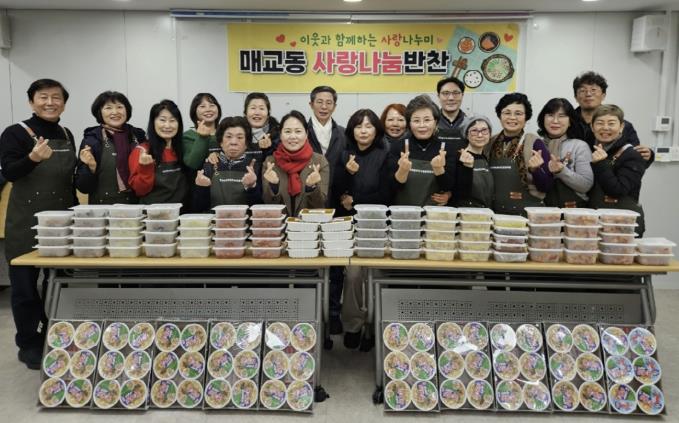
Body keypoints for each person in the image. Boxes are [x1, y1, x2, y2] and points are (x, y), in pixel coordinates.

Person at [0, 79, 77, 369]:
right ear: (31, 101)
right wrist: (32, 158)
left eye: (56, 97)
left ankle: (57, 335)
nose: (50, 102)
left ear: (64, 104)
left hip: (62, 222)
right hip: (26, 222)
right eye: (43, 97)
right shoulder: (15, 133)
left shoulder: (67, 134)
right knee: (25, 288)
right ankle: (29, 343)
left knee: (61, 283)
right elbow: (9, 171)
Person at [333, 109, 389, 350]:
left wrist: (355, 201)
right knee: (353, 275)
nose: (363, 131)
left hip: (376, 225)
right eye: (358, 126)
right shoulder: (344, 154)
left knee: (375, 276)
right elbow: (336, 191)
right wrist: (348, 173)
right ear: (351, 130)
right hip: (350, 226)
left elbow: (386, 194)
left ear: (376, 130)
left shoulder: (385, 154)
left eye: (368, 126)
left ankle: (373, 327)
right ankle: (353, 325)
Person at [306, 86, 346, 336]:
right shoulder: (300, 131)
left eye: (328, 102)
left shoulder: (343, 133)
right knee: (309, 258)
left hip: (338, 205)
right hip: (309, 204)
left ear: (334, 106)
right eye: (319, 101)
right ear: (311, 104)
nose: (324, 106)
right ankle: (310, 314)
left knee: (336, 262)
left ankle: (333, 313)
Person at [388, 94, 469, 206]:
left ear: (435, 122)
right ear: (409, 123)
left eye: (427, 120)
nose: (422, 125)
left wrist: (439, 169)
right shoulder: (398, 147)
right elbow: (390, 188)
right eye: (416, 121)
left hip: (434, 213)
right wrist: (402, 170)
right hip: (403, 212)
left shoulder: (446, 149)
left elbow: (449, 187)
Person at [486, 93, 553, 215]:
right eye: (507, 113)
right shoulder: (490, 142)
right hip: (496, 213)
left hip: (529, 212)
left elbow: (547, 186)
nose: (512, 118)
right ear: (500, 116)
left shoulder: (534, 142)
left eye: (518, 113)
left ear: (526, 117)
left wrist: (536, 170)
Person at [75, 91, 145, 204]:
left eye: (119, 107)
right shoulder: (92, 140)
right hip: (102, 208)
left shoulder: (138, 136)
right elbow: (83, 188)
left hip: (136, 206)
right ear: (100, 112)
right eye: (108, 108)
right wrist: (91, 168)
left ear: (127, 110)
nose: (115, 112)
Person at [570, 71, 654, 164]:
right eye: (582, 90)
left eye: (593, 90)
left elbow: (635, 159)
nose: (588, 94)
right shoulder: (568, 123)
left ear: (603, 95)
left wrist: (648, 156)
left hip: (611, 172)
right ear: (576, 97)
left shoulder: (624, 126)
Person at [588, 104, 646, 235]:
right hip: (595, 221)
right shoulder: (591, 150)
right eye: (600, 123)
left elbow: (618, 190)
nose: (605, 127)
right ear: (592, 127)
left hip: (623, 224)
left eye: (611, 123)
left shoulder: (632, 155)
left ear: (621, 127)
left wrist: (601, 163)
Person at [262, 110, 329, 216]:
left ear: (306, 134)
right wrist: (274, 186)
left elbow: (320, 205)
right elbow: (268, 204)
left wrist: (311, 187)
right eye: (287, 131)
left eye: (298, 131)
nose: (293, 136)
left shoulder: (319, 161)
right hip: (280, 224)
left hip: (309, 224)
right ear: (280, 135)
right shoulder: (270, 163)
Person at [128, 100, 189, 205]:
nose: (167, 125)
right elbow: (139, 191)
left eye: (172, 120)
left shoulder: (183, 148)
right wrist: (145, 169)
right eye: (162, 120)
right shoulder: (142, 151)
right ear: (153, 122)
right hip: (153, 213)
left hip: (181, 212)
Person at [193, 116, 261, 210]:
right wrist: (202, 189)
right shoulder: (209, 165)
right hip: (215, 219)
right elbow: (198, 209)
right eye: (228, 137)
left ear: (247, 143)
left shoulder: (255, 166)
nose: (233, 142)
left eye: (240, 137)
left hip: (244, 219)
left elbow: (260, 208)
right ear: (221, 142)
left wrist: (252, 187)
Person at [537, 98, 594, 208]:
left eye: (562, 116)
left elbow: (585, 185)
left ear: (570, 121)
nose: (555, 121)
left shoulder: (579, 146)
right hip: (539, 210)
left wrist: (562, 171)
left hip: (573, 211)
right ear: (543, 119)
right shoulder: (536, 145)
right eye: (550, 115)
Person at [453, 115, 492, 207]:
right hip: (466, 211)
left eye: (484, 130)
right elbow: (459, 193)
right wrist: (467, 168)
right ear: (466, 135)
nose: (480, 135)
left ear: (490, 134)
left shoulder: (486, 158)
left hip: (486, 211)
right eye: (474, 131)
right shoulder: (459, 157)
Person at [182, 93, 222, 171]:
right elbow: (192, 164)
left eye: (212, 105)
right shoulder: (188, 136)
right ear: (194, 111)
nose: (208, 109)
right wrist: (202, 137)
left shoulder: (226, 132)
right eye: (202, 106)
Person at [243, 92, 280, 158]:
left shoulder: (278, 134)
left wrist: (269, 149)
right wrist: (257, 147)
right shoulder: (237, 133)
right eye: (253, 108)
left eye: (261, 108)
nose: (257, 113)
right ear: (245, 113)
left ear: (268, 113)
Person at [435, 76, 467, 151]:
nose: (451, 98)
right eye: (446, 93)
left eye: (456, 93)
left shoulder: (470, 123)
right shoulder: (431, 122)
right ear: (438, 96)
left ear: (462, 95)